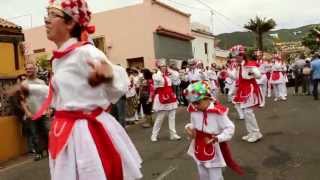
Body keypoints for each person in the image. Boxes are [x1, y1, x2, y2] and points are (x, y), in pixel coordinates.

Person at [20, 0, 143, 179]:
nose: (46, 21)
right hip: (64, 130)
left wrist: (107, 73)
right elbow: (64, 95)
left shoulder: (85, 52)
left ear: (70, 23)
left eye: (52, 15)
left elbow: (119, 78)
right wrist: (29, 89)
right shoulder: (58, 60)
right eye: (46, 15)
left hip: (85, 132)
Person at [184, 81, 243, 180]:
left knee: (215, 175)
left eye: (198, 103)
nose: (195, 106)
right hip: (199, 146)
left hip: (214, 146)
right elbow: (193, 125)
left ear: (207, 98)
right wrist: (189, 129)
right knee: (202, 173)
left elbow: (229, 128)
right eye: (193, 103)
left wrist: (218, 138)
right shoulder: (194, 111)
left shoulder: (217, 112)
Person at [231, 45, 264, 143]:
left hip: (250, 89)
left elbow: (258, 75)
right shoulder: (239, 66)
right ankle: (251, 133)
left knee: (248, 112)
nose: (235, 58)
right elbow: (236, 77)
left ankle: (256, 133)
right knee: (246, 112)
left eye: (237, 56)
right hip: (243, 90)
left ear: (242, 55)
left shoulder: (249, 64)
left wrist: (251, 73)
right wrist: (227, 74)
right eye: (235, 57)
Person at [151, 58, 181, 142]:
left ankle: (173, 134)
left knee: (172, 116)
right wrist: (160, 71)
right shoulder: (156, 75)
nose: (164, 67)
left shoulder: (168, 75)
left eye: (165, 66)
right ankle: (154, 135)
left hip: (170, 96)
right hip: (161, 96)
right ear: (159, 67)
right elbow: (158, 79)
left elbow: (176, 77)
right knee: (160, 117)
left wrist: (169, 70)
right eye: (162, 66)